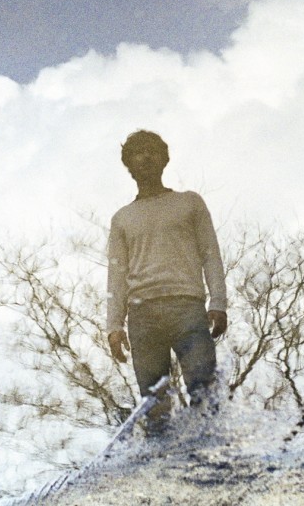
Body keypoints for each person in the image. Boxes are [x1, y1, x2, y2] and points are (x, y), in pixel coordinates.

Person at [106, 130, 228, 428]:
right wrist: (113, 326)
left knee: (204, 390)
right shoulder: (122, 218)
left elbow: (210, 253)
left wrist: (219, 302)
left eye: (152, 151)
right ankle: (162, 452)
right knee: (154, 404)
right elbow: (116, 275)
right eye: (138, 153)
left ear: (164, 159)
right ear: (128, 164)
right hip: (142, 314)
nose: (146, 158)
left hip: (187, 307)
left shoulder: (189, 203)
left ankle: (210, 448)